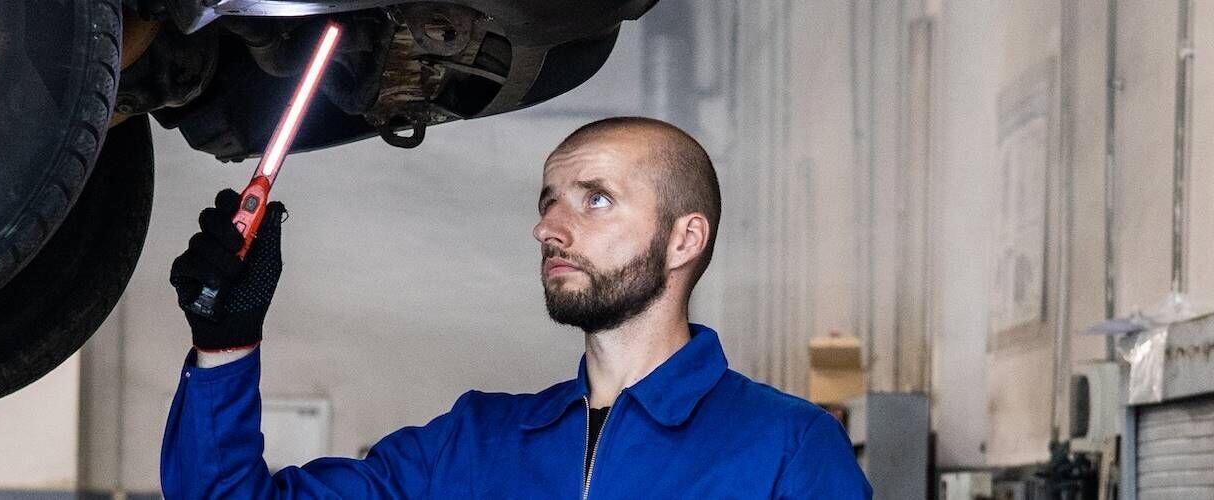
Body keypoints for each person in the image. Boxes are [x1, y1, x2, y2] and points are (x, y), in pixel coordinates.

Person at [162, 117, 872, 498]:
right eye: (548, 203)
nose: (549, 228)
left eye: (596, 200)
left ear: (685, 239)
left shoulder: (786, 447)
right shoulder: (472, 445)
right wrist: (226, 341)